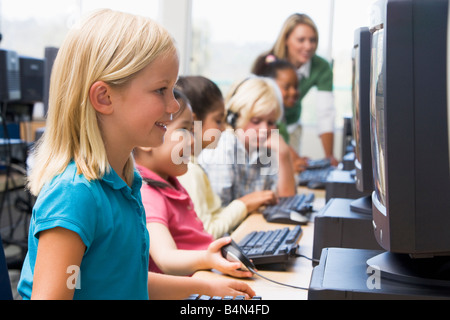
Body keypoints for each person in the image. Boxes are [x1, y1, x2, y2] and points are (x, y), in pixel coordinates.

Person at [17, 9, 254, 300]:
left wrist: (205, 286)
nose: (172, 106)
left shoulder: (125, 183)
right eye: (161, 90)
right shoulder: (74, 196)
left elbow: (124, 281)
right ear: (104, 97)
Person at [134, 89, 253, 279]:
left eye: (191, 131)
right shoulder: (147, 193)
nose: (192, 140)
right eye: (183, 131)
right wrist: (208, 258)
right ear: (145, 139)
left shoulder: (170, 183)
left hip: (206, 277)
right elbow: (166, 258)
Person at [176, 76, 277, 239]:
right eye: (218, 121)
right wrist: (244, 204)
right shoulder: (189, 171)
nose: (223, 128)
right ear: (193, 123)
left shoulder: (193, 166)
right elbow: (207, 232)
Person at [252, 13, 338, 166]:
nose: (308, 46)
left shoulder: (321, 67)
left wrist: (328, 158)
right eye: (301, 40)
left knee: (292, 169)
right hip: (266, 126)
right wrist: (291, 156)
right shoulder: (266, 64)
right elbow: (257, 112)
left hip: (291, 123)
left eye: (313, 40)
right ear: (286, 40)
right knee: (271, 166)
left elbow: (326, 112)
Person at [199, 76, 297, 207]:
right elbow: (219, 215)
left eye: (271, 122)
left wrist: (283, 155)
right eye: (256, 121)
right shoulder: (222, 149)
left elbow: (287, 205)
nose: (264, 129)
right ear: (234, 118)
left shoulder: (265, 148)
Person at [254, 58, 310, 173]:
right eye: (286, 87)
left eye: (296, 86)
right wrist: (288, 165)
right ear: (269, 85)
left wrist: (297, 159)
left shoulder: (280, 116)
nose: (294, 92)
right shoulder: (265, 119)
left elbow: (282, 145)